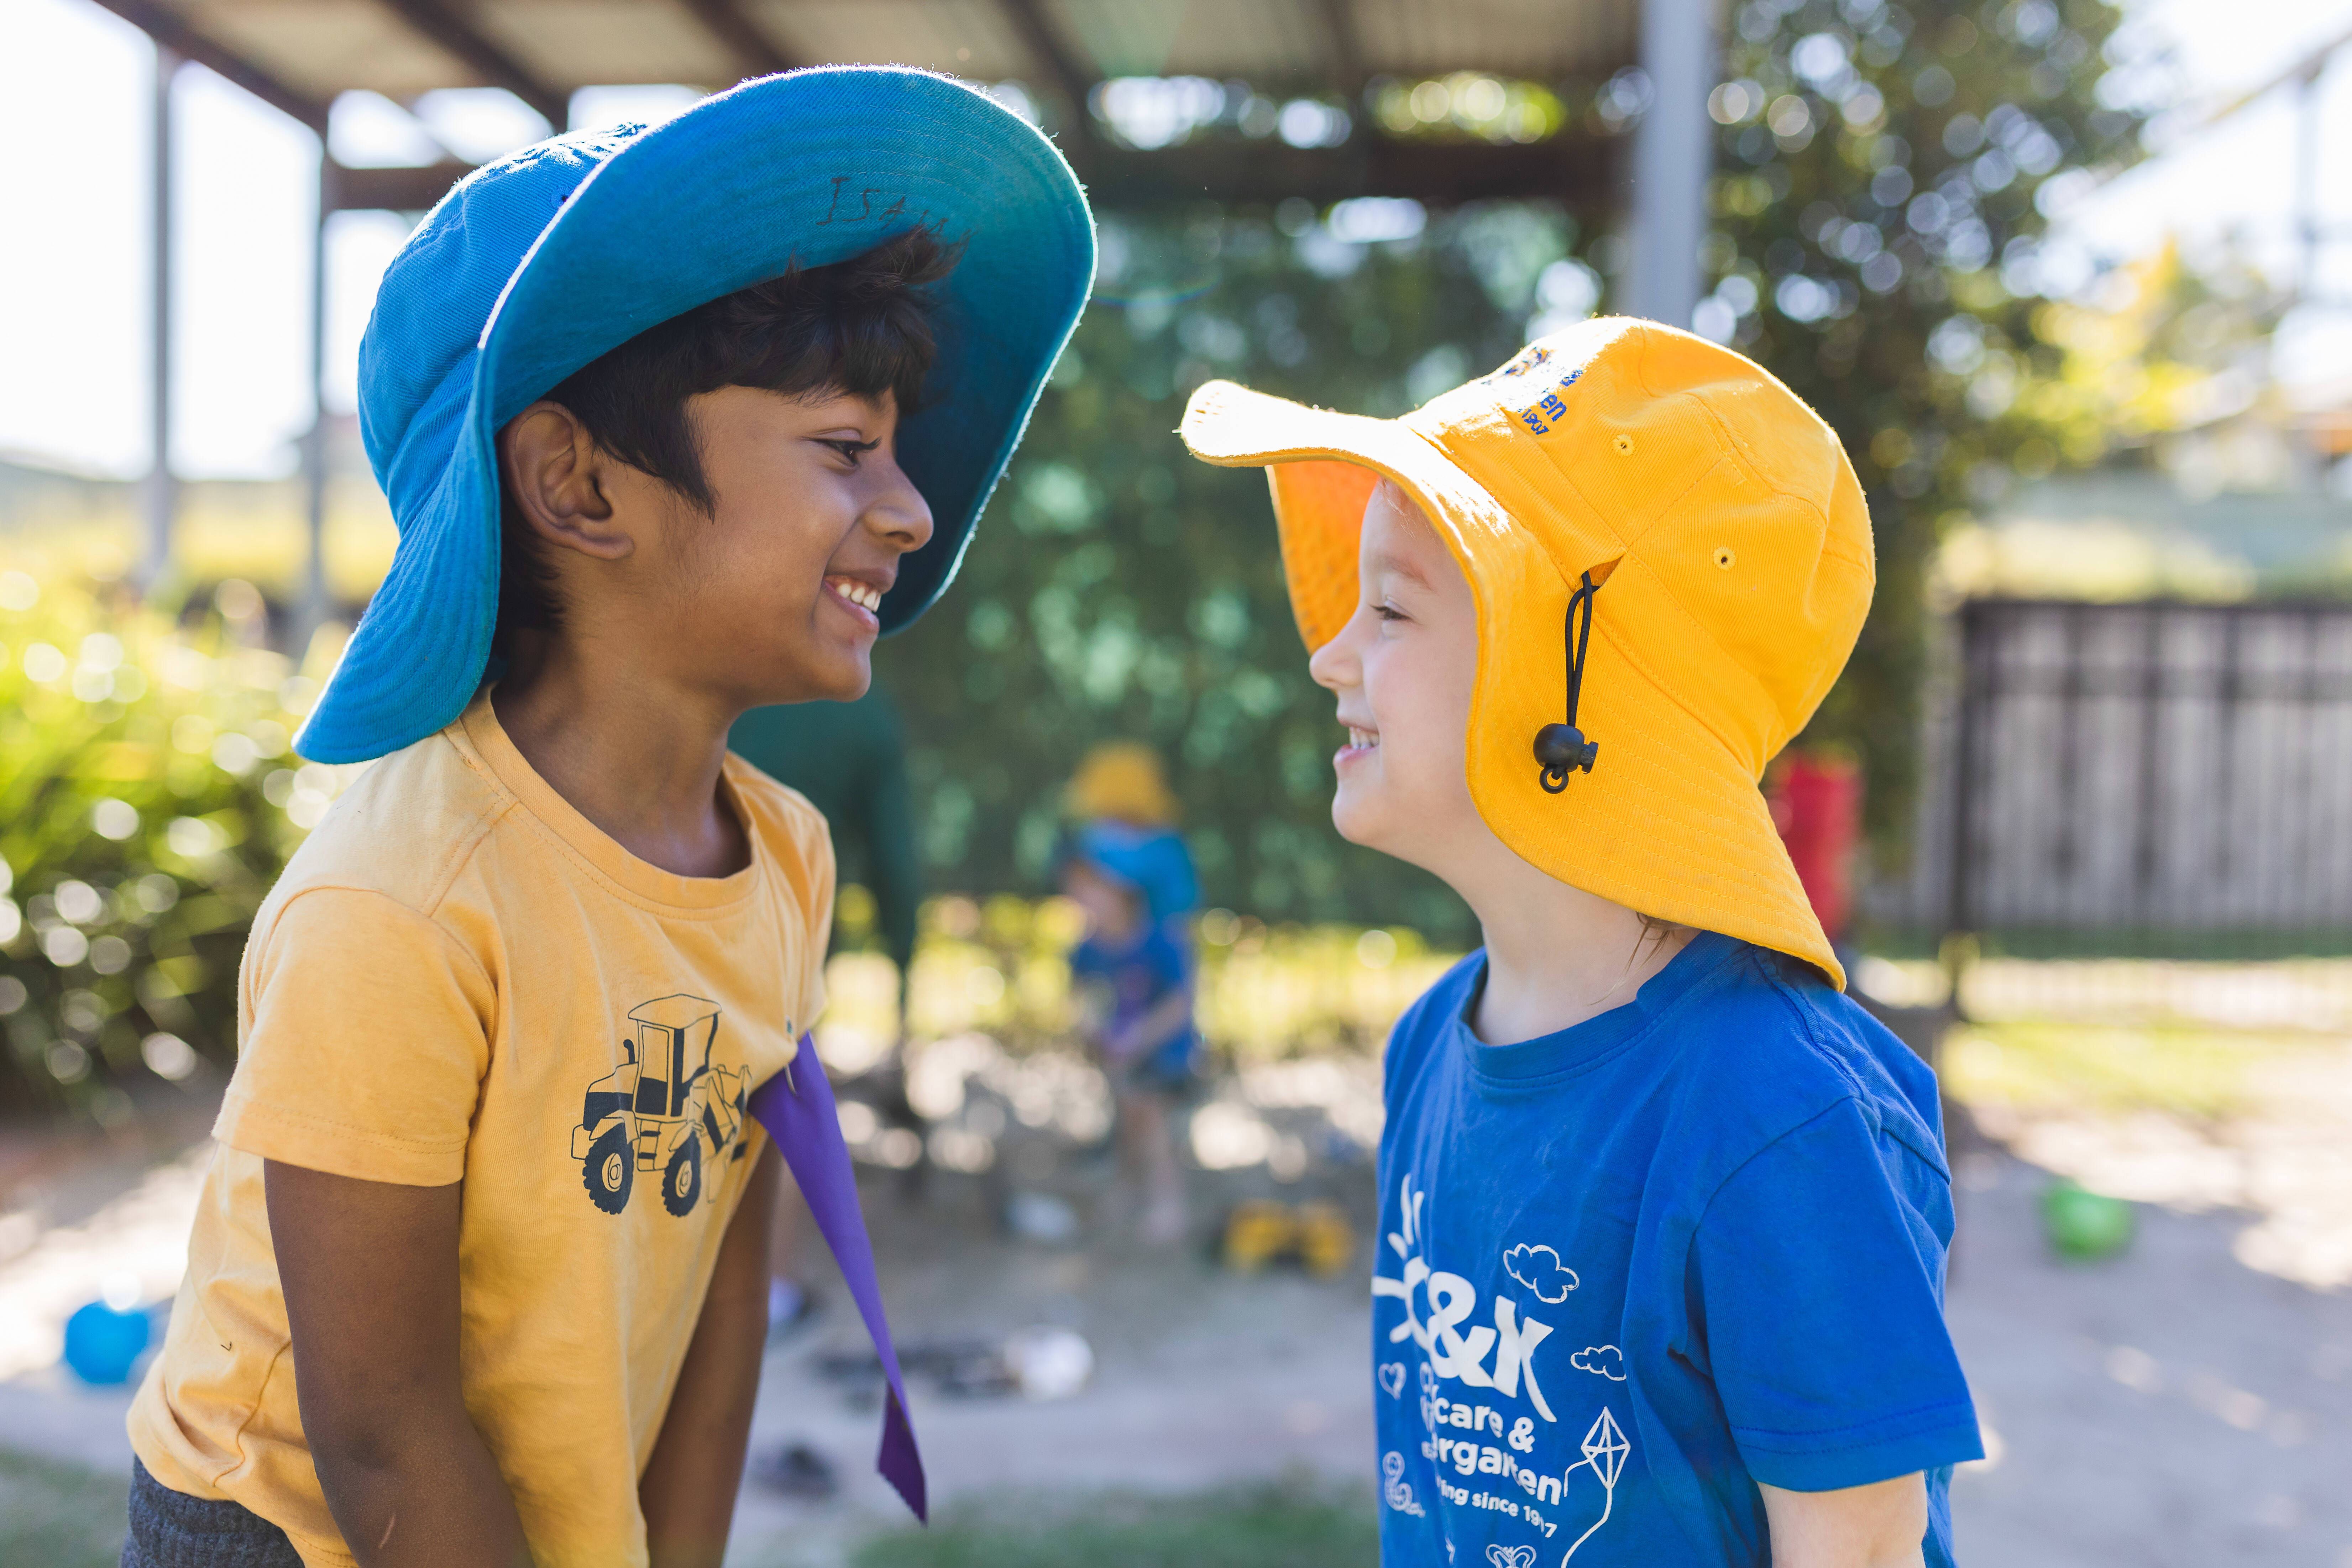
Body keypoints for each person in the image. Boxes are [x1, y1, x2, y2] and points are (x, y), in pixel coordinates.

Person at [121, 70, 1092, 1568]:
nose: (910, 508)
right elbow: (379, 1431)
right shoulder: (401, 904)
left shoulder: (784, 857)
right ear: (577, 484)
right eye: (845, 448)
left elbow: (728, 1295)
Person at [1180, 319, 1981, 1567]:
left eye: (1389, 608)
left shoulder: (1778, 1116)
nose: (1329, 653)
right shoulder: (1430, 1044)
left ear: (1569, 696)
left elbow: (1860, 1547)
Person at [729, 686, 923, 1338]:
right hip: (792, 938)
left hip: (665, 908)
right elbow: (894, 858)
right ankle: (769, 1293)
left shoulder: (709, 664)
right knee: (780, 1107)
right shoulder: (858, 706)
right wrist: (904, 966)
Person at [1059, 744, 1199, 1246]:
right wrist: (1093, 1026)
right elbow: (1080, 995)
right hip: (1122, 1037)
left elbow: (1180, 999)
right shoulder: (1090, 949)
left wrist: (1143, 1034)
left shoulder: (1158, 943)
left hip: (1157, 1039)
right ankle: (1129, 1190)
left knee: (1151, 1116)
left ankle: (1165, 1200)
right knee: (1126, 1113)